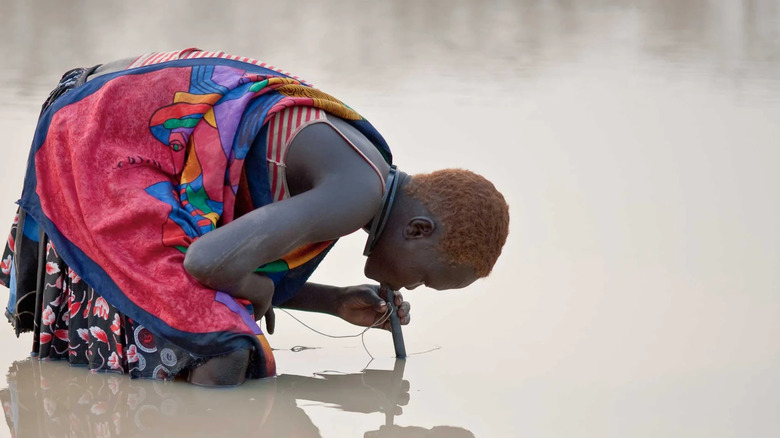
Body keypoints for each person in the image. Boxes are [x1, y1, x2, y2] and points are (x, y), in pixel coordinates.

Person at [0, 49, 509, 386]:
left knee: (223, 327)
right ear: (418, 229)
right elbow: (206, 262)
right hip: (104, 133)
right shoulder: (359, 191)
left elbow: (235, 256)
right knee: (226, 347)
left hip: (104, 111)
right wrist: (257, 290)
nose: (412, 288)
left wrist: (330, 302)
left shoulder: (365, 171)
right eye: (424, 278)